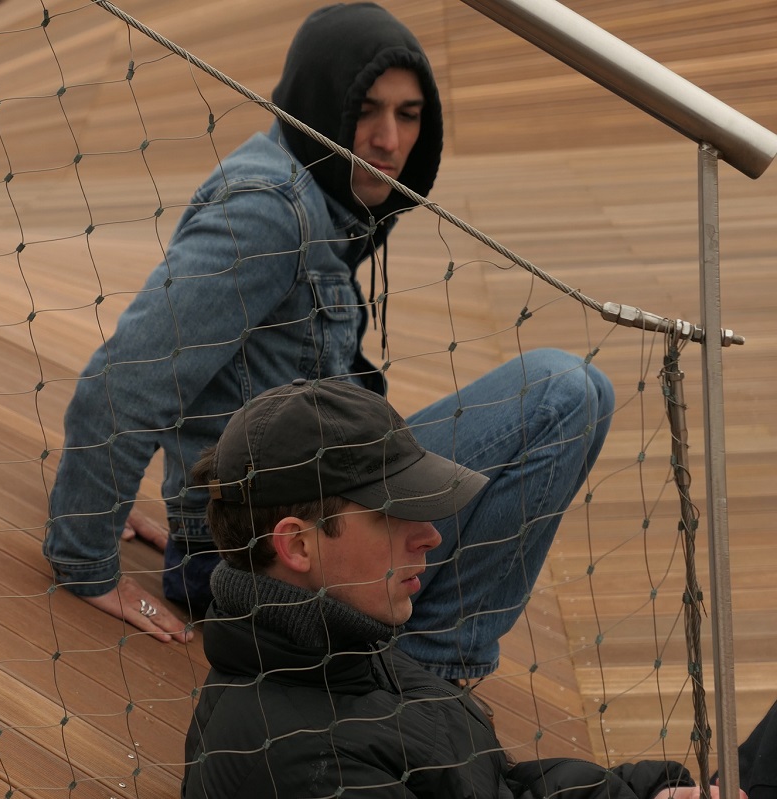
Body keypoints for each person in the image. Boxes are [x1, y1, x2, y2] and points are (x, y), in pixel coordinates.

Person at [44, 1, 614, 673]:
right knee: (562, 393)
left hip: (313, 506)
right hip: (261, 558)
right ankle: (422, 672)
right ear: (321, 105)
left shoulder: (321, 192)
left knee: (577, 392)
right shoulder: (269, 210)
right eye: (365, 111)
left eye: (409, 115)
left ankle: (418, 662)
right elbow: (125, 381)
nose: (387, 139)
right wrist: (88, 556)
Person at [180, 378, 768, 799]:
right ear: (297, 545)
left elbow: (501, 785)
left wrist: (645, 793)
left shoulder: (347, 653)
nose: (431, 537)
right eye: (392, 515)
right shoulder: (309, 766)